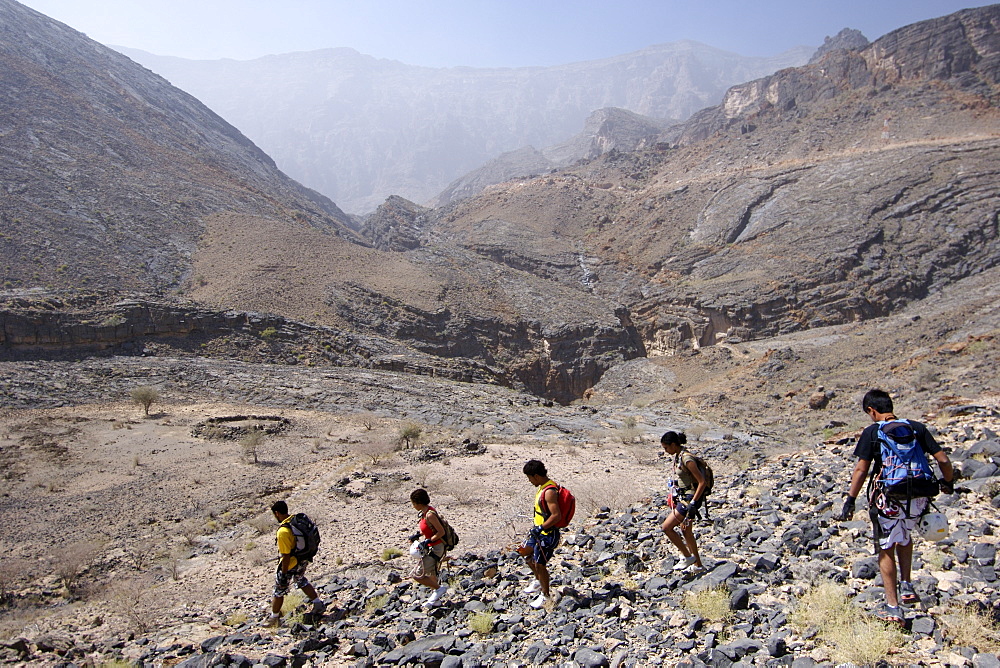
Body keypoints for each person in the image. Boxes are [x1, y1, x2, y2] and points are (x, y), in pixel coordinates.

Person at [837, 389, 955, 626]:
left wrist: (850, 500)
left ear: (872, 411)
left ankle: (893, 607)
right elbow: (942, 459)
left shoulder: (873, 432)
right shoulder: (916, 427)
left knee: (886, 546)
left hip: (889, 496)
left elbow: (861, 470)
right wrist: (948, 483)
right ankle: (907, 585)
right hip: (919, 496)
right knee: (904, 534)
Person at [266, 500, 325, 627]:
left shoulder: (283, 531)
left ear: (276, 513)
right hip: (303, 558)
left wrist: (284, 572)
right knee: (300, 580)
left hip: (291, 563)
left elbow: (286, 555)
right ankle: (317, 603)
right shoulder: (295, 521)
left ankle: (274, 618)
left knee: (279, 590)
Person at [659, 431, 708, 572]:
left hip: (690, 499)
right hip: (685, 497)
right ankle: (698, 565)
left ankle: (687, 557)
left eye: (666, 448)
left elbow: (702, 482)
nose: (665, 451)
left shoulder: (687, 459)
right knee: (686, 531)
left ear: (673, 445)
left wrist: (693, 503)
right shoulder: (679, 456)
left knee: (666, 527)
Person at [522, 459, 562, 609]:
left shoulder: (550, 492)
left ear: (536, 476)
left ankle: (545, 595)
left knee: (540, 564)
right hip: (538, 531)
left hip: (547, 534)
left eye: (530, 478)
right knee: (525, 553)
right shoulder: (542, 487)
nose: (530, 481)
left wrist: (541, 528)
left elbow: (556, 515)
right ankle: (539, 581)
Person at [409, 488, 449, 608]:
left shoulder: (430, 514)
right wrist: (418, 535)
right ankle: (436, 600)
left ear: (419, 503)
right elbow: (428, 529)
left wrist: (428, 541)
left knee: (417, 574)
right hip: (431, 546)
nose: (413, 506)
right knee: (431, 572)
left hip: (436, 548)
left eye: (414, 503)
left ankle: (439, 589)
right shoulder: (424, 513)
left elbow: (440, 532)